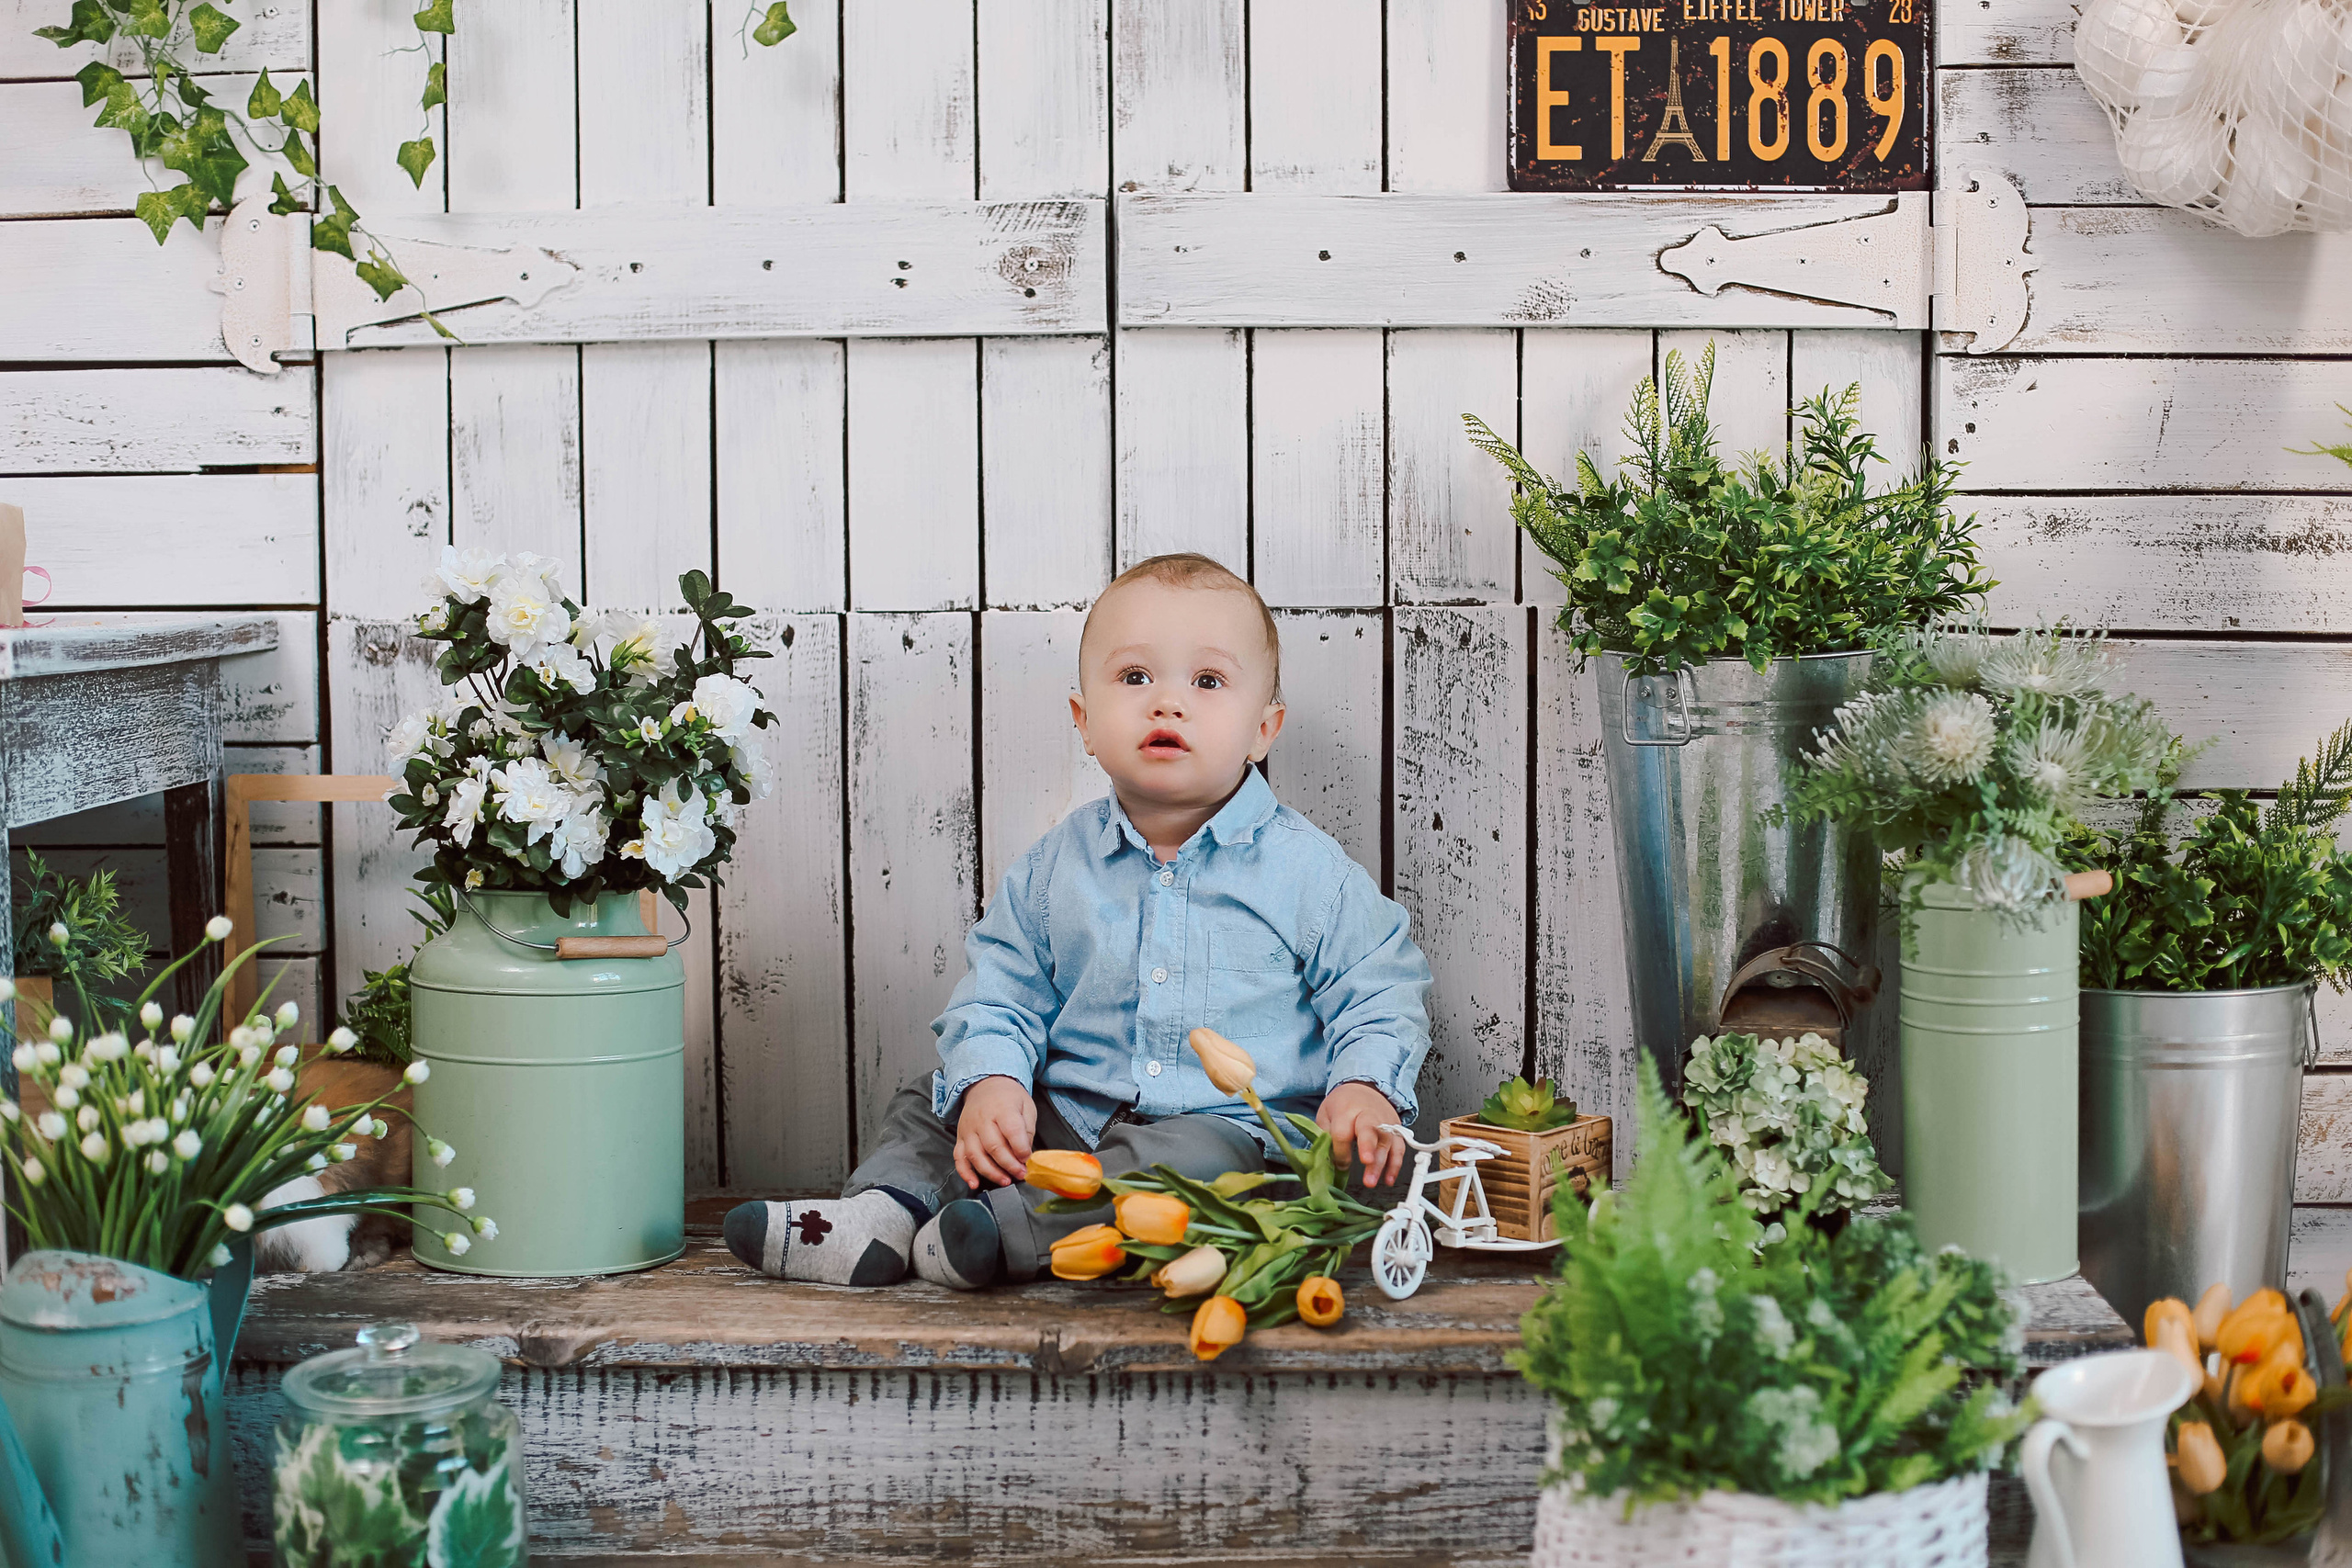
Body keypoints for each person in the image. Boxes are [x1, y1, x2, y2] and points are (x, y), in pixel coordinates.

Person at [724, 553, 1433, 1288]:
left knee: (1204, 1171)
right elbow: (1000, 990)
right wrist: (994, 1081)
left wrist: (1364, 1085)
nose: (1168, 703)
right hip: (1066, 1119)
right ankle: (879, 1214)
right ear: (1084, 721)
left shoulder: (1307, 873)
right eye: (1135, 678)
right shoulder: (1055, 867)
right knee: (932, 1094)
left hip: (1222, 1133)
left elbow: (1379, 986)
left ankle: (999, 1232)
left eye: (1208, 681)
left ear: (1263, 729)